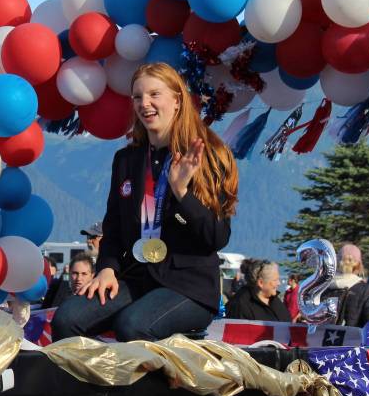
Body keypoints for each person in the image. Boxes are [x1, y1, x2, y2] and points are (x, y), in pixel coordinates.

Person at [51, 62, 238, 342]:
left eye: (154, 94)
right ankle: (96, 387)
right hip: (138, 278)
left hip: (188, 287)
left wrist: (181, 191)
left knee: (133, 326)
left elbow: (217, 236)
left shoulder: (206, 155)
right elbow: (113, 226)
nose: (144, 104)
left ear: (176, 100)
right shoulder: (127, 160)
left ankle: (152, 386)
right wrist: (107, 269)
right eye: (138, 97)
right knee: (67, 319)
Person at [321, 243, 369, 328]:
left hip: (324, 339)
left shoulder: (325, 287)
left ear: (337, 262)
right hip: (355, 340)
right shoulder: (366, 291)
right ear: (358, 264)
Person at [224, 260, 291, 321]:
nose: (279, 283)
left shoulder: (274, 300)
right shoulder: (240, 305)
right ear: (261, 283)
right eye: (275, 280)